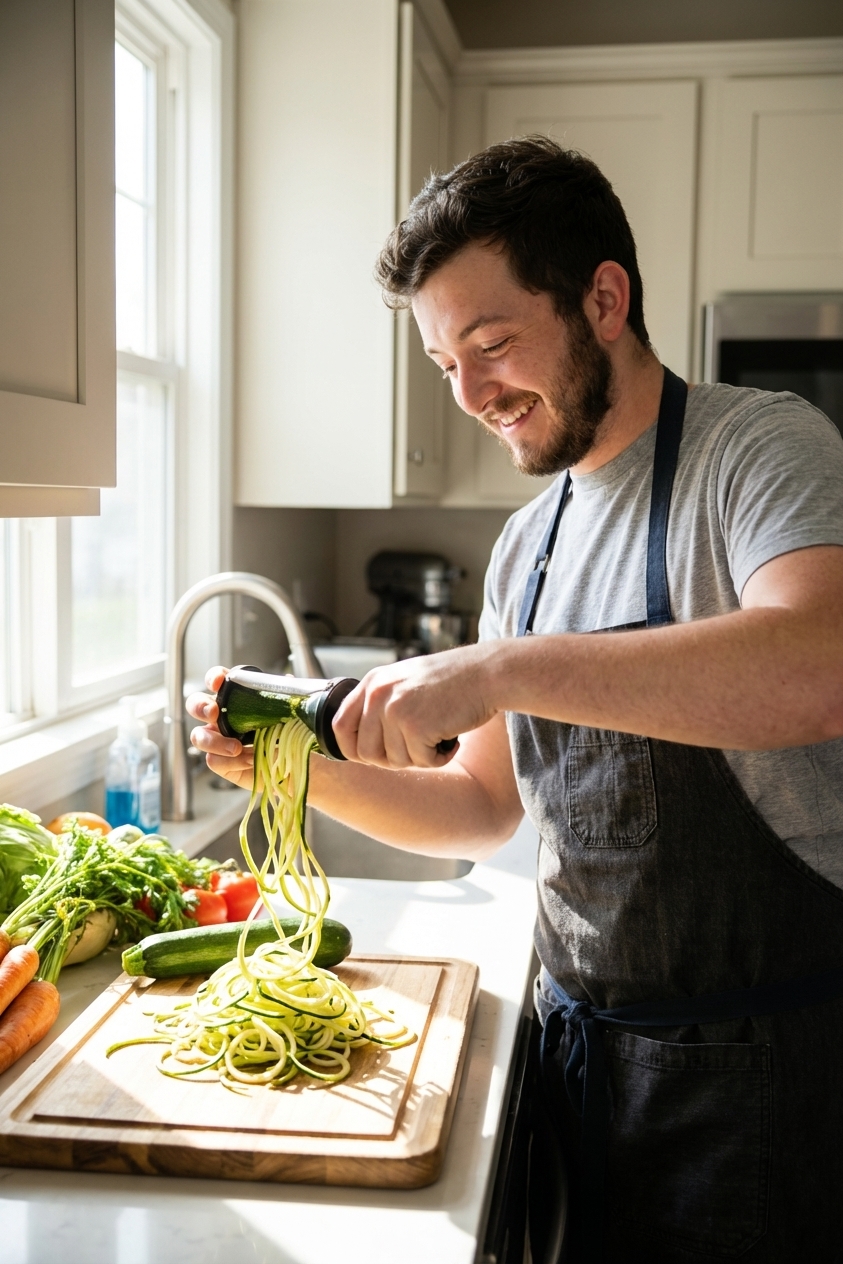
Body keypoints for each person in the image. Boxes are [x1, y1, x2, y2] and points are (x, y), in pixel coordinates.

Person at [189, 137, 843, 1262]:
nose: (474, 395)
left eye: (491, 345)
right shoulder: (526, 548)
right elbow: (483, 804)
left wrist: (500, 667)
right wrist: (296, 770)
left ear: (603, 299)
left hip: (767, 1083)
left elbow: (818, 665)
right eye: (447, 365)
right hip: (579, 1056)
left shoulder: (758, 448)